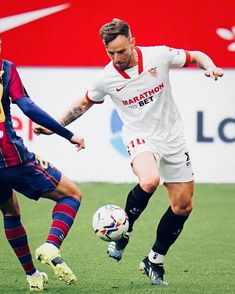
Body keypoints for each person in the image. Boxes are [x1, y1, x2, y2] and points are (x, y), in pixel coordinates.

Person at [33, 19, 224, 286]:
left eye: (121, 51)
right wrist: (55, 126)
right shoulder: (107, 78)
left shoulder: (158, 56)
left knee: (182, 207)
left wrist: (211, 66)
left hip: (173, 139)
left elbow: (195, 56)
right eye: (111, 53)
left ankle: (154, 259)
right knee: (149, 180)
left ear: (132, 42)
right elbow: (83, 103)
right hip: (139, 137)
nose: (117, 58)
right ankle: (124, 231)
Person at [0, 38, 85, 291]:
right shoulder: (5, 68)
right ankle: (51, 245)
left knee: (11, 210)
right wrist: (68, 135)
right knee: (71, 194)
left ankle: (32, 276)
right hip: (9, 156)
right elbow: (27, 106)